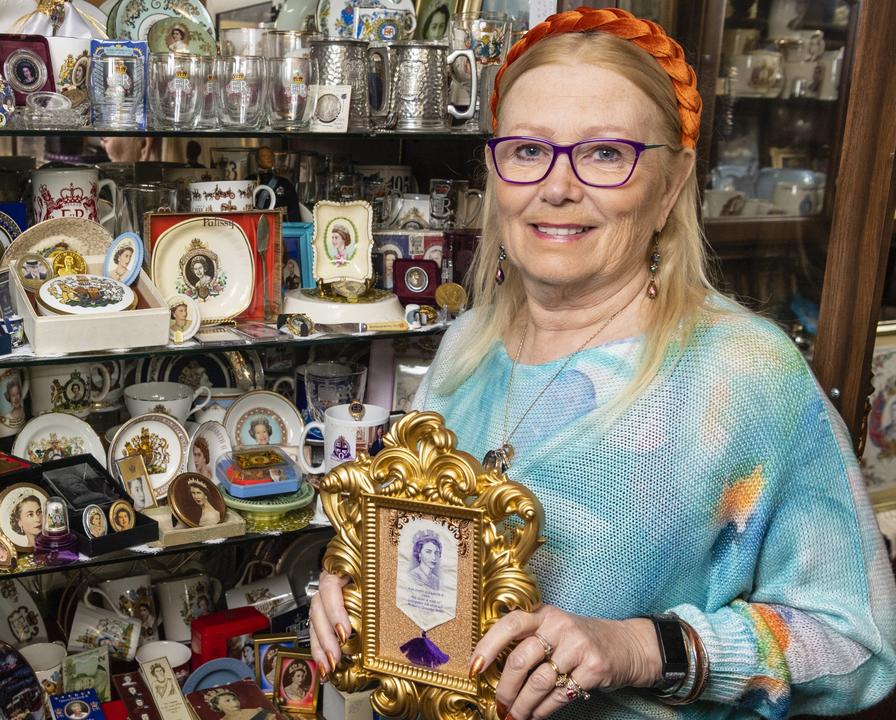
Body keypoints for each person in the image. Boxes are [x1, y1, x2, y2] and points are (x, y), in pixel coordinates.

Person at [309, 7, 896, 717]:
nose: (557, 187)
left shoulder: (743, 372)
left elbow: (858, 643)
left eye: (605, 153)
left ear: (670, 186)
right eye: (527, 150)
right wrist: (360, 588)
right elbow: (425, 559)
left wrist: (643, 649)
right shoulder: (467, 346)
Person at [204, 687, 271, 720]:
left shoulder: (258, 712)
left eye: (235, 699)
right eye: (227, 701)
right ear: (218, 706)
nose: (234, 702)